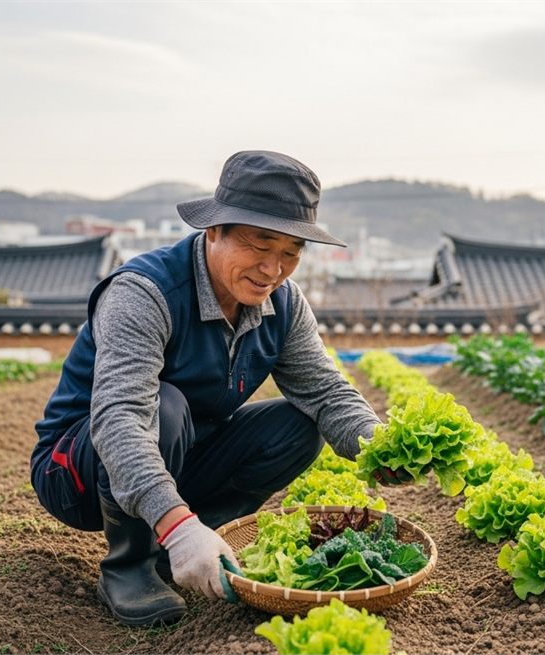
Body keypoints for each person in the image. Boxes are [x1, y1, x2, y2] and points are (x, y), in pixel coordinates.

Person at [30, 150, 388, 627]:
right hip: (80, 470)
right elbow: (120, 421)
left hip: (185, 453)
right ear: (213, 230)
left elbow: (324, 391)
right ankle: (130, 565)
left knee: (300, 425)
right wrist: (177, 526)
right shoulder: (145, 292)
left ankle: (179, 549)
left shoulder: (283, 303)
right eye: (260, 245)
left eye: (290, 252)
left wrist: (381, 447)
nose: (273, 268)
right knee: (165, 405)